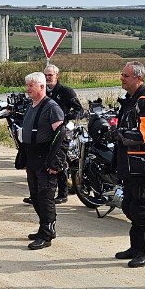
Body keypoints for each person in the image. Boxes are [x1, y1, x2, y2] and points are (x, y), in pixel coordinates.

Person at [111, 61, 145, 268]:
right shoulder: (131, 99)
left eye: (126, 76)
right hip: (129, 163)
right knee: (129, 205)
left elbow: (144, 134)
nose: (122, 78)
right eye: (122, 75)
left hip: (142, 164)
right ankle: (136, 247)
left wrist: (118, 134)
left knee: (141, 207)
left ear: (138, 78)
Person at [18, 72, 68, 250]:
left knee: (46, 198)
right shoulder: (32, 105)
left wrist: (55, 163)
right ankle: (43, 228)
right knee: (35, 197)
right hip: (32, 159)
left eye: (31, 85)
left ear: (41, 86)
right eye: (27, 85)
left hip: (45, 160)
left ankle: (47, 234)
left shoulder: (51, 107)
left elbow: (62, 138)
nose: (27, 89)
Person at [44, 64, 83, 203]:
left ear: (57, 76)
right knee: (45, 160)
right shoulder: (43, 91)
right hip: (46, 131)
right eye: (45, 75)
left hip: (62, 130)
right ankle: (44, 193)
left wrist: (64, 118)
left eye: (50, 75)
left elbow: (79, 110)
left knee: (59, 160)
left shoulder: (66, 91)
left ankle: (63, 194)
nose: (47, 78)